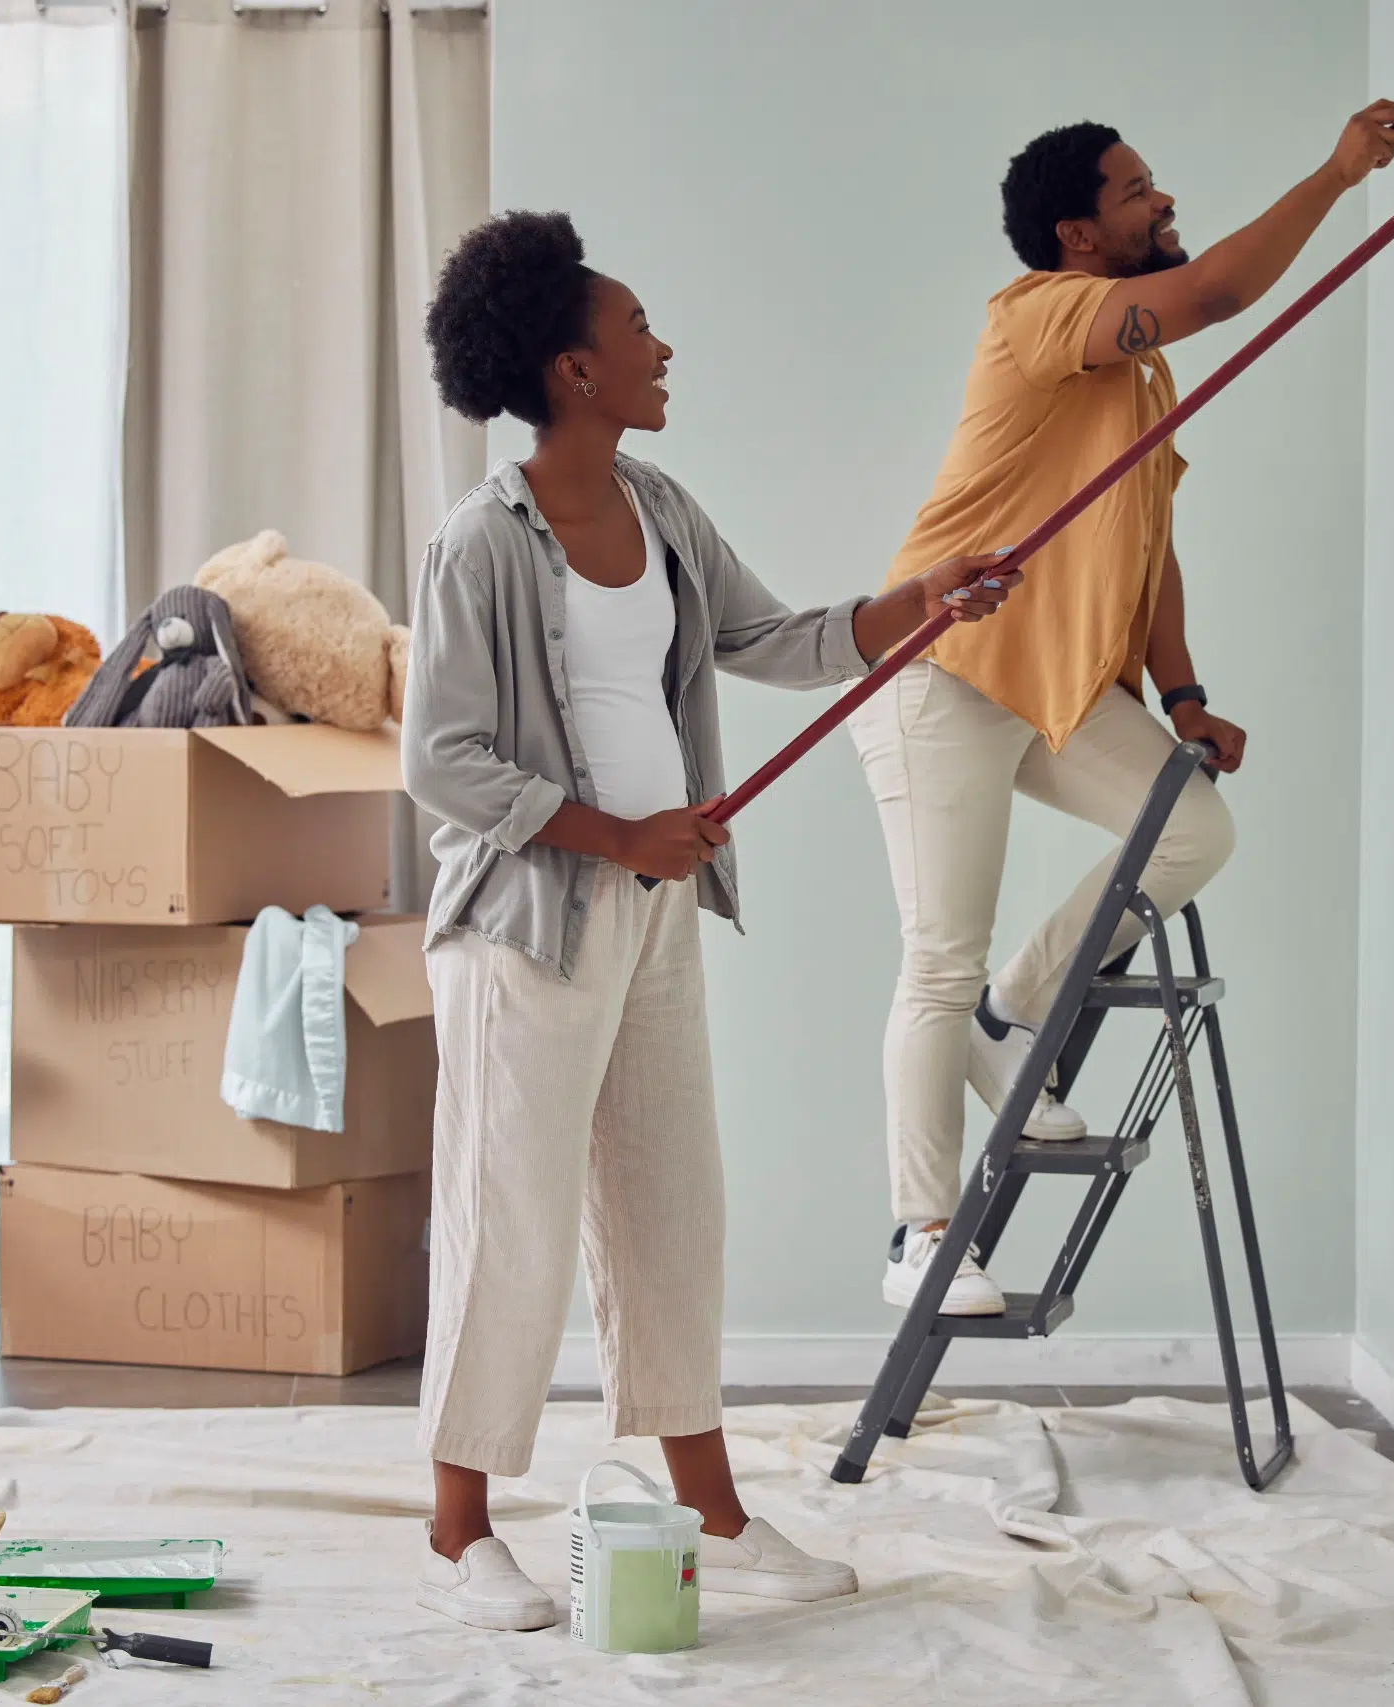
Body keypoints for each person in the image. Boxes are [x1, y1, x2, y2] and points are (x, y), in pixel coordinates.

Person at [402, 209, 1021, 1631]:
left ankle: (709, 1505)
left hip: (658, 913)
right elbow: (441, 757)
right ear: (571, 367)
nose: (660, 345)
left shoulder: (662, 508)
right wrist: (616, 830)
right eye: (635, 329)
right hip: (524, 931)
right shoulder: (479, 546)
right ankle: (456, 1529)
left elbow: (767, 638)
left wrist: (914, 607)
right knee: (510, 1226)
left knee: (674, 1206)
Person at [855, 103, 1394, 1315]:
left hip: (1054, 684)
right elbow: (1218, 294)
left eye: (1155, 184)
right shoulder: (1037, 315)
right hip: (945, 674)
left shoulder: (1138, 373)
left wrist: (1186, 694)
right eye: (1136, 192)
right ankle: (921, 1237)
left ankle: (1015, 1021)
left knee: (1192, 831)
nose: (1162, 202)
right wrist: (1335, 173)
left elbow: (1150, 544)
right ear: (1078, 235)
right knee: (934, 955)